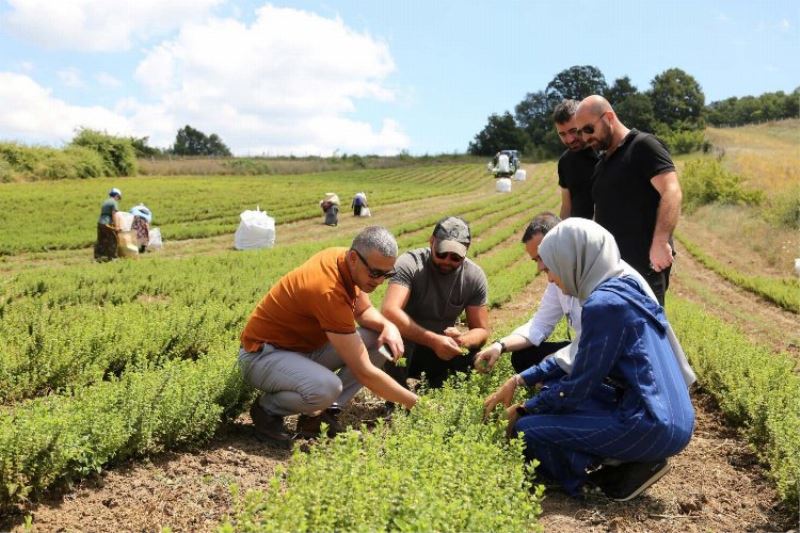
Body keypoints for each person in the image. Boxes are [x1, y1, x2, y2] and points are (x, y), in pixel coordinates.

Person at [483, 218, 695, 501]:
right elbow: (579, 354)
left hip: (651, 424)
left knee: (528, 431)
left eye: (550, 268)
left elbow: (579, 385)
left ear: (572, 259)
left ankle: (590, 476)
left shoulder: (603, 305)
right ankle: (625, 458)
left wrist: (526, 410)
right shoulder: (623, 285)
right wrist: (521, 379)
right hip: (671, 415)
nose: (549, 279)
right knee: (553, 393)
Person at [238, 226, 417, 447]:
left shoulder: (344, 261)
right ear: (354, 258)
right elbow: (365, 372)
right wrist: (415, 403)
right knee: (327, 388)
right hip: (263, 357)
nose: (380, 281)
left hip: (302, 350)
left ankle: (320, 415)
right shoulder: (328, 290)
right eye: (375, 273)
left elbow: (362, 312)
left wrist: (387, 325)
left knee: (378, 339)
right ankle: (267, 410)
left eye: (387, 274)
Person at [575, 95, 683, 305]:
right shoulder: (601, 165)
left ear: (608, 117)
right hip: (613, 268)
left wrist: (660, 241)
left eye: (588, 129)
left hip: (645, 266)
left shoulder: (643, 146)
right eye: (580, 132)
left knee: (646, 329)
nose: (585, 138)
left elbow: (672, 190)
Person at [382, 216, 490, 390]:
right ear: (431, 242)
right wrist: (433, 340)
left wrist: (461, 341)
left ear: (467, 250)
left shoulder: (474, 277)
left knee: (479, 357)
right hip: (407, 347)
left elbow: (482, 330)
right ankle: (396, 397)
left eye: (455, 257)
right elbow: (390, 311)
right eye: (441, 253)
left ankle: (435, 389)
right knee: (390, 339)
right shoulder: (410, 264)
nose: (447, 260)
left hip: (441, 352)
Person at [552, 100, 599, 220]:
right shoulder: (565, 161)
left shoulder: (604, 153)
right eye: (562, 134)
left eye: (573, 131)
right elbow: (566, 206)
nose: (569, 139)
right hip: (578, 235)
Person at [94, 187, 123, 262]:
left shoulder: (106, 202)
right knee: (113, 239)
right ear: (116, 195)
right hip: (107, 223)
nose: (118, 199)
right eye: (118, 197)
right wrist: (116, 226)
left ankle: (99, 257)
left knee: (101, 240)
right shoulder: (114, 202)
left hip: (100, 222)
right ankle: (113, 258)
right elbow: (114, 214)